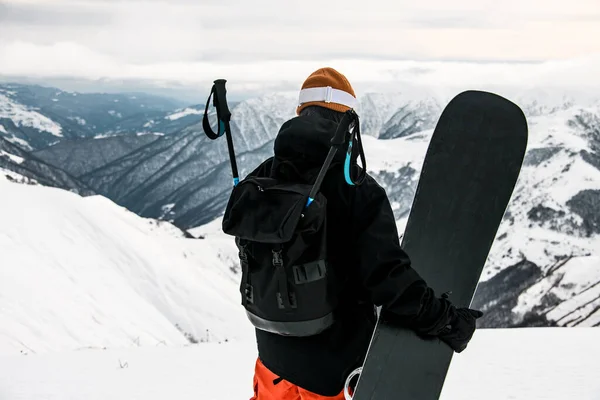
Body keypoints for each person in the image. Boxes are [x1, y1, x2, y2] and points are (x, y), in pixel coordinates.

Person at [248, 67, 483, 400]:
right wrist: (446, 321)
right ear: (347, 119)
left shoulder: (263, 179)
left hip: (271, 367)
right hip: (332, 378)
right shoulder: (357, 189)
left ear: (301, 113)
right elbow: (389, 280)